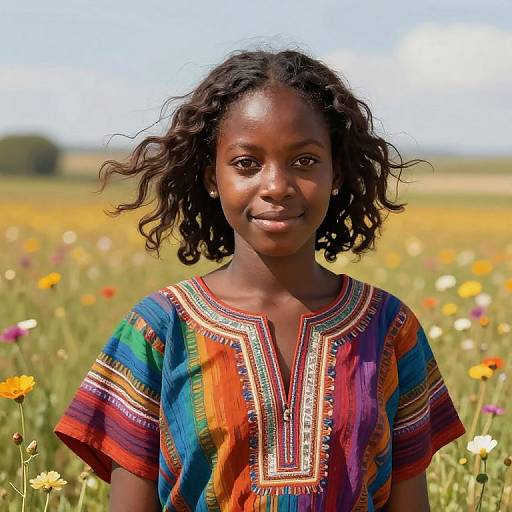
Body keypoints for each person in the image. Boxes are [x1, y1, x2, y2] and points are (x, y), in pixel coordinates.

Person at [54, 48, 465, 511]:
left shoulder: (389, 328)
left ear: (337, 174)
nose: (276, 185)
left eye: (305, 161)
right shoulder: (157, 329)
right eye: (247, 163)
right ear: (212, 176)